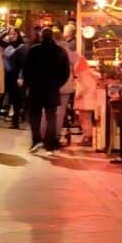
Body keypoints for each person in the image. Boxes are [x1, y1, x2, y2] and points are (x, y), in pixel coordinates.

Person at [22, 26, 70, 156]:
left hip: (36, 88)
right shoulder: (60, 51)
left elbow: (26, 70)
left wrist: (29, 84)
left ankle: (36, 140)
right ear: (52, 37)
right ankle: (50, 144)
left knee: (35, 116)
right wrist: (57, 84)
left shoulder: (34, 50)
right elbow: (66, 72)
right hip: (52, 88)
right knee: (51, 117)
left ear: (41, 36)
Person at [73, 52, 100, 148]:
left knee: (84, 119)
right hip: (90, 100)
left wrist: (78, 95)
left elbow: (84, 87)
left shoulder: (83, 75)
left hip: (85, 100)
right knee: (86, 119)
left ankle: (88, 137)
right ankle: (88, 136)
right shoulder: (91, 74)